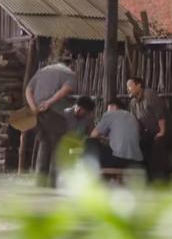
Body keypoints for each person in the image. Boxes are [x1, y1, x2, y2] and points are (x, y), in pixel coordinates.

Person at [25, 57, 76, 187]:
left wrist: (34, 108)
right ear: (69, 65)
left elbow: (28, 90)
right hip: (56, 114)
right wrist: (49, 102)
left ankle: (40, 182)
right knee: (57, 146)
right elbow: (66, 89)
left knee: (44, 143)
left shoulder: (42, 71)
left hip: (38, 115)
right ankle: (54, 183)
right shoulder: (69, 73)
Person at [126, 77, 167, 179]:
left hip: (163, 130)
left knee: (157, 144)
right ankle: (143, 177)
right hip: (148, 133)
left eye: (130, 85)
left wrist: (162, 131)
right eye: (127, 87)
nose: (128, 89)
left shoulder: (149, 95)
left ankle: (158, 178)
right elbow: (135, 122)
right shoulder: (133, 103)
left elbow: (160, 114)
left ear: (139, 85)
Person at [86, 99, 143, 168]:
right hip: (136, 160)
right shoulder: (133, 117)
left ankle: (90, 174)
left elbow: (93, 135)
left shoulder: (111, 114)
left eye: (108, 109)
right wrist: (103, 138)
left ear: (113, 106)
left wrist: (99, 138)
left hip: (118, 159)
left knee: (89, 142)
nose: (107, 111)